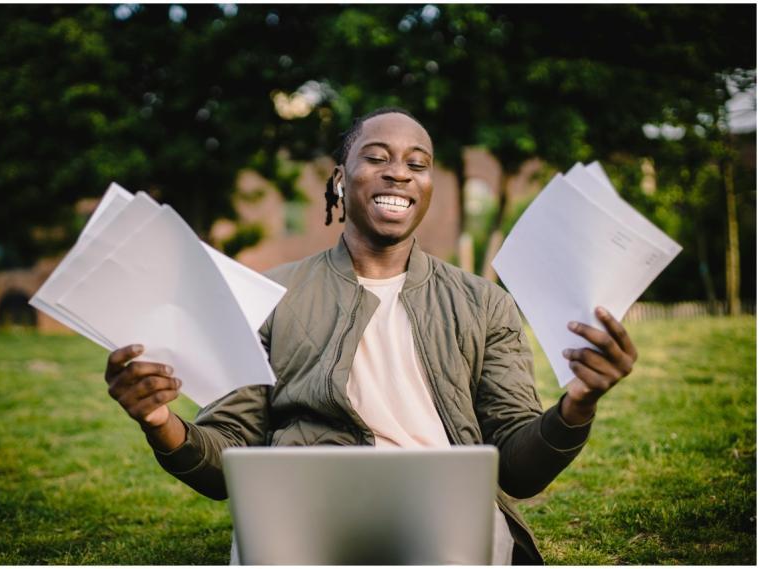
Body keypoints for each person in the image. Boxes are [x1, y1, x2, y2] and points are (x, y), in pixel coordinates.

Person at [103, 107, 638, 564]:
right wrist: (159, 422)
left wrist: (578, 405)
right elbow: (228, 460)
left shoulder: (484, 304)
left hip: (447, 522)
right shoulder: (269, 297)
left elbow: (519, 469)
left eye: (417, 164)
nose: (399, 174)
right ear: (340, 178)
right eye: (377, 157)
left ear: (428, 186)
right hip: (303, 514)